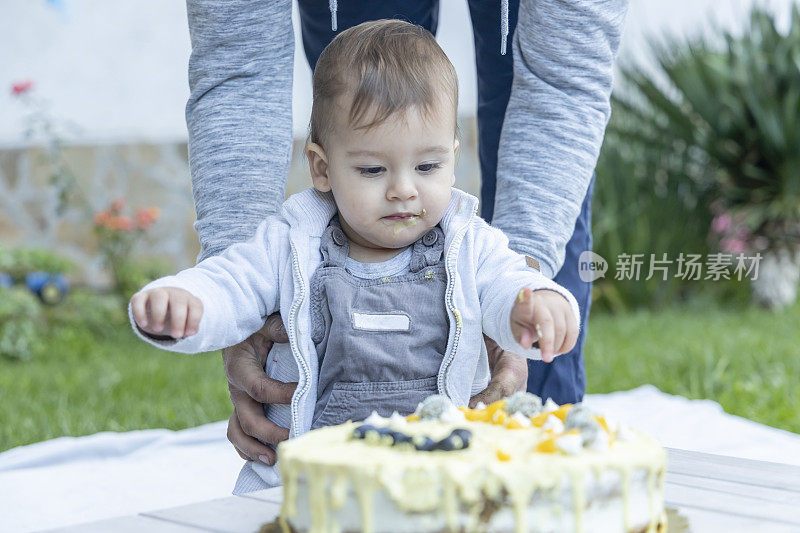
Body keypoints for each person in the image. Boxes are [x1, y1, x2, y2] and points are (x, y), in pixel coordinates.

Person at [130, 20, 580, 492]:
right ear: (322, 169)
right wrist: (185, 303)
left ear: (453, 154)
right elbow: (231, 283)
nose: (403, 189)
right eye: (372, 169)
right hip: (305, 486)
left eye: (428, 166)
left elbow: (507, 284)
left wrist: (533, 306)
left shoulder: (470, 243)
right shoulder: (291, 242)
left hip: (438, 484)